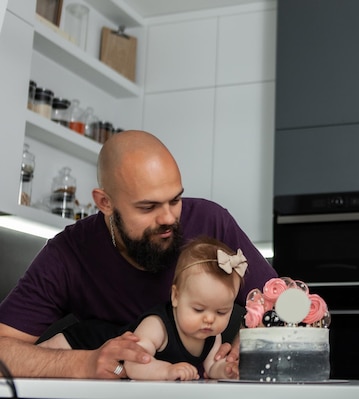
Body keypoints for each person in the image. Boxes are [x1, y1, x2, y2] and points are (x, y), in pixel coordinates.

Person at [0, 130, 277, 379]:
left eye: (175, 199)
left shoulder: (211, 222)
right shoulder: (68, 253)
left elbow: (280, 304)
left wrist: (253, 339)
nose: (169, 217)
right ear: (105, 203)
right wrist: (83, 363)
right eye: (148, 207)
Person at [41, 236, 246, 381]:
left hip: (107, 374)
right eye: (198, 309)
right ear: (175, 297)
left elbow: (211, 368)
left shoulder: (213, 336)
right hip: (86, 340)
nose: (210, 319)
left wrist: (227, 370)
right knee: (38, 361)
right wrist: (167, 371)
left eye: (221, 312)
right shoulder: (157, 326)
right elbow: (133, 364)